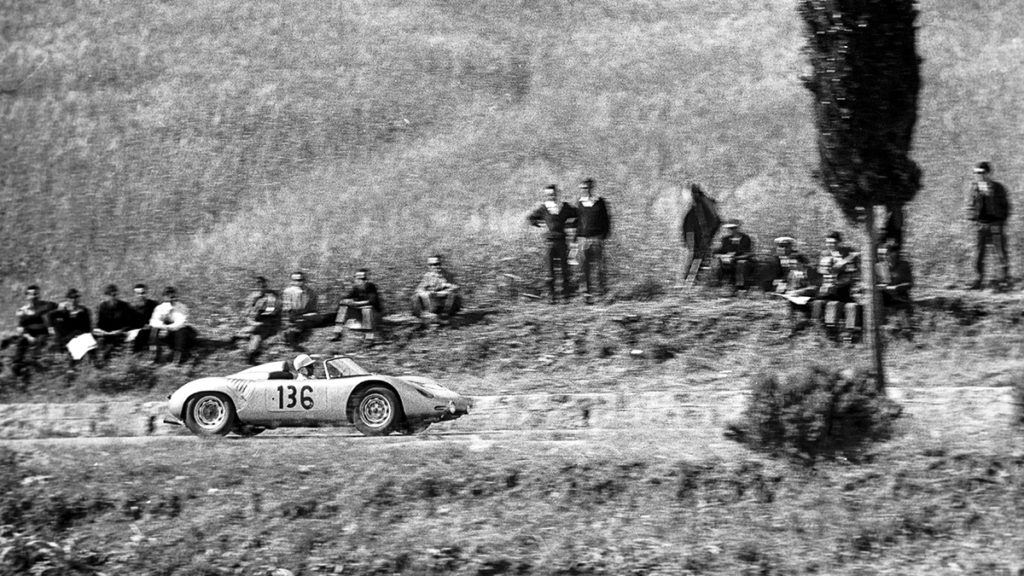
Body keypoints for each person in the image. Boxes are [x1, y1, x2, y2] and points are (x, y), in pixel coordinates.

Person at [527, 184, 578, 303]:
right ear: (546, 195)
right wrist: (540, 224)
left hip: (562, 242)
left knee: (564, 269)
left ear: (557, 194)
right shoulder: (544, 208)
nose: (551, 196)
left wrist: (571, 225)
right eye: (549, 194)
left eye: (553, 194)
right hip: (549, 243)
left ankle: (565, 296)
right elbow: (531, 218)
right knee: (550, 271)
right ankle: (552, 297)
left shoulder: (564, 207)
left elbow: (578, 215)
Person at [966, 161, 1011, 290]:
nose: (978, 175)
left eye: (981, 172)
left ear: (988, 173)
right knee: (978, 254)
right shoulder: (974, 187)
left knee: (1001, 253)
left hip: (995, 225)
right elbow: (970, 206)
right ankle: (978, 280)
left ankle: (1003, 281)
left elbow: (1006, 207)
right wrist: (973, 221)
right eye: (976, 173)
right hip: (981, 226)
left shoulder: (998, 187)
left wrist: (1000, 222)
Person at [811, 231, 860, 340]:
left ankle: (848, 334)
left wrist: (837, 283)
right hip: (826, 290)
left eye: (833, 242)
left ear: (839, 242)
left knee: (838, 305)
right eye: (828, 242)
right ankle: (820, 333)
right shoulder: (824, 254)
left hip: (842, 290)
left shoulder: (847, 253)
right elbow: (821, 273)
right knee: (817, 303)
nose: (830, 245)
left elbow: (850, 276)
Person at [574, 178, 612, 304]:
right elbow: (576, 223)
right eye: (583, 188)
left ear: (592, 188)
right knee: (584, 270)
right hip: (582, 241)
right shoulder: (579, 204)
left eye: (587, 188)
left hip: (597, 240)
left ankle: (602, 295)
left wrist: (603, 236)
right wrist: (575, 240)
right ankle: (586, 295)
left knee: (600, 268)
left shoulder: (600, 202)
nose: (585, 190)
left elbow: (607, 221)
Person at [12, 285, 57, 380]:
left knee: (40, 342)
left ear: (39, 295)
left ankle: (35, 364)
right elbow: (20, 329)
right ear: (27, 296)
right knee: (21, 342)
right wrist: (28, 337)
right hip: (29, 333)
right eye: (31, 294)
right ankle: (19, 367)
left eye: (36, 294)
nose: (34, 296)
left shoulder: (46, 305)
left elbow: (59, 306)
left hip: (43, 332)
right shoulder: (23, 311)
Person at [680, 183, 722, 283]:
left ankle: (690, 280)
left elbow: (704, 219)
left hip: (701, 233)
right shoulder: (704, 202)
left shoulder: (701, 203)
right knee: (698, 255)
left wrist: (706, 234)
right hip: (700, 232)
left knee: (696, 255)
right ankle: (692, 279)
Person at [875, 240, 914, 337]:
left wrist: (897, 287)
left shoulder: (904, 265)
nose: (882, 256)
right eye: (880, 254)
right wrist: (882, 287)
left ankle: (906, 331)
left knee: (901, 309)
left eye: (885, 253)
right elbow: (874, 284)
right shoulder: (878, 266)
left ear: (894, 253)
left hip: (900, 296)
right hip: (884, 297)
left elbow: (910, 283)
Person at [332, 268, 383, 343]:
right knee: (343, 307)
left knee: (367, 308)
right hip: (360, 315)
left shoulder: (371, 287)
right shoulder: (355, 288)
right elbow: (346, 298)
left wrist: (356, 303)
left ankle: (369, 338)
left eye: (362, 278)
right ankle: (337, 333)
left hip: (373, 315)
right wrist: (346, 301)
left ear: (366, 279)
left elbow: (371, 302)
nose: (359, 280)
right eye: (357, 278)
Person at [49, 289, 94, 370]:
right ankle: (73, 367)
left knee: (89, 343)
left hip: (80, 336)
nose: (74, 300)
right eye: (71, 298)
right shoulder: (62, 311)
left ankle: (90, 366)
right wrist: (50, 328)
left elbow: (88, 327)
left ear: (79, 298)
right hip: (67, 337)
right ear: (67, 299)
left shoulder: (84, 311)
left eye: (76, 297)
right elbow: (49, 316)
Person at [92, 284, 136, 365]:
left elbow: (129, 324)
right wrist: (101, 331)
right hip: (105, 332)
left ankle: (102, 359)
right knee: (92, 336)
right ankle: (94, 358)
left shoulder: (124, 306)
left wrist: (120, 330)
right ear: (106, 295)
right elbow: (98, 324)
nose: (113, 297)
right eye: (111, 295)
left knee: (113, 341)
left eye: (115, 294)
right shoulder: (102, 306)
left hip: (119, 332)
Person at [148, 286, 193, 364]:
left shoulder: (181, 307)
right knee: (154, 330)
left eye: (172, 296)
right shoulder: (160, 308)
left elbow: (180, 323)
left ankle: (177, 357)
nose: (170, 299)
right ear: (164, 297)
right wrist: (163, 327)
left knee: (181, 331)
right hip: (166, 332)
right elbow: (153, 321)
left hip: (179, 333)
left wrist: (167, 328)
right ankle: (154, 354)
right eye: (167, 296)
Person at [411, 255, 462, 324]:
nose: (436, 267)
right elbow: (418, 289)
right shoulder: (428, 276)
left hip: (445, 301)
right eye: (432, 265)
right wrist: (428, 292)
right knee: (417, 296)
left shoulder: (447, 275)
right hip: (433, 302)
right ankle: (427, 314)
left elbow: (456, 287)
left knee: (453, 295)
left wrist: (444, 290)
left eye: (438, 264)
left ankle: (445, 315)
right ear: (429, 266)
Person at [242, 276, 281, 364]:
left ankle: (251, 353)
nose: (259, 286)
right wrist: (251, 321)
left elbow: (272, 311)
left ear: (265, 285)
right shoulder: (252, 297)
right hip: (253, 322)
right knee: (253, 332)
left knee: (257, 335)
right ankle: (251, 350)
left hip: (267, 322)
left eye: (262, 284)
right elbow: (247, 312)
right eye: (257, 284)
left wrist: (262, 313)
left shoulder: (271, 296)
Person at [713, 219, 755, 292]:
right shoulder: (726, 239)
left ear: (737, 228)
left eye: (733, 228)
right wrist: (721, 255)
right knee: (718, 263)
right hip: (727, 260)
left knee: (741, 264)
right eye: (730, 229)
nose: (731, 230)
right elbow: (720, 250)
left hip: (742, 260)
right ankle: (720, 283)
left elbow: (748, 253)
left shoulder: (745, 239)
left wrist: (735, 257)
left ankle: (740, 286)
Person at [281, 271, 319, 349]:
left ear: (304, 280)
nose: (297, 282)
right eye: (295, 280)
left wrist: (307, 315)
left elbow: (313, 309)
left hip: (307, 316)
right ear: (291, 281)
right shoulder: (288, 292)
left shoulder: (311, 292)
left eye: (300, 280)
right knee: (295, 323)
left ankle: (294, 332)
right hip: (293, 317)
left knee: (314, 318)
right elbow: (286, 308)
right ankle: (291, 337)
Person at [127, 283, 159, 354]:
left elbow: (159, 318)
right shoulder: (130, 307)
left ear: (147, 293)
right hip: (137, 329)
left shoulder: (153, 304)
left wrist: (150, 325)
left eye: (143, 293)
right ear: (134, 294)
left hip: (152, 329)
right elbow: (129, 323)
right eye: (138, 293)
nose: (140, 296)